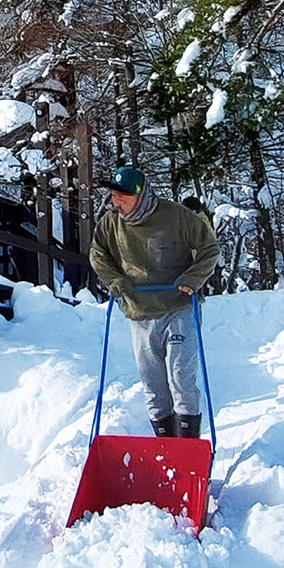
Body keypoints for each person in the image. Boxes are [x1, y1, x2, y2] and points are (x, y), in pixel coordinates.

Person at [88, 165, 221, 439]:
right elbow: (98, 254)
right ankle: (165, 446)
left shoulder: (176, 216)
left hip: (179, 306)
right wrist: (115, 281)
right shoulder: (110, 223)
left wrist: (192, 278)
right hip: (140, 311)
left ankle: (186, 449)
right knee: (153, 385)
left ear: (141, 194)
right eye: (113, 196)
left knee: (181, 378)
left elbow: (209, 247)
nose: (116, 203)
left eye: (122, 198)